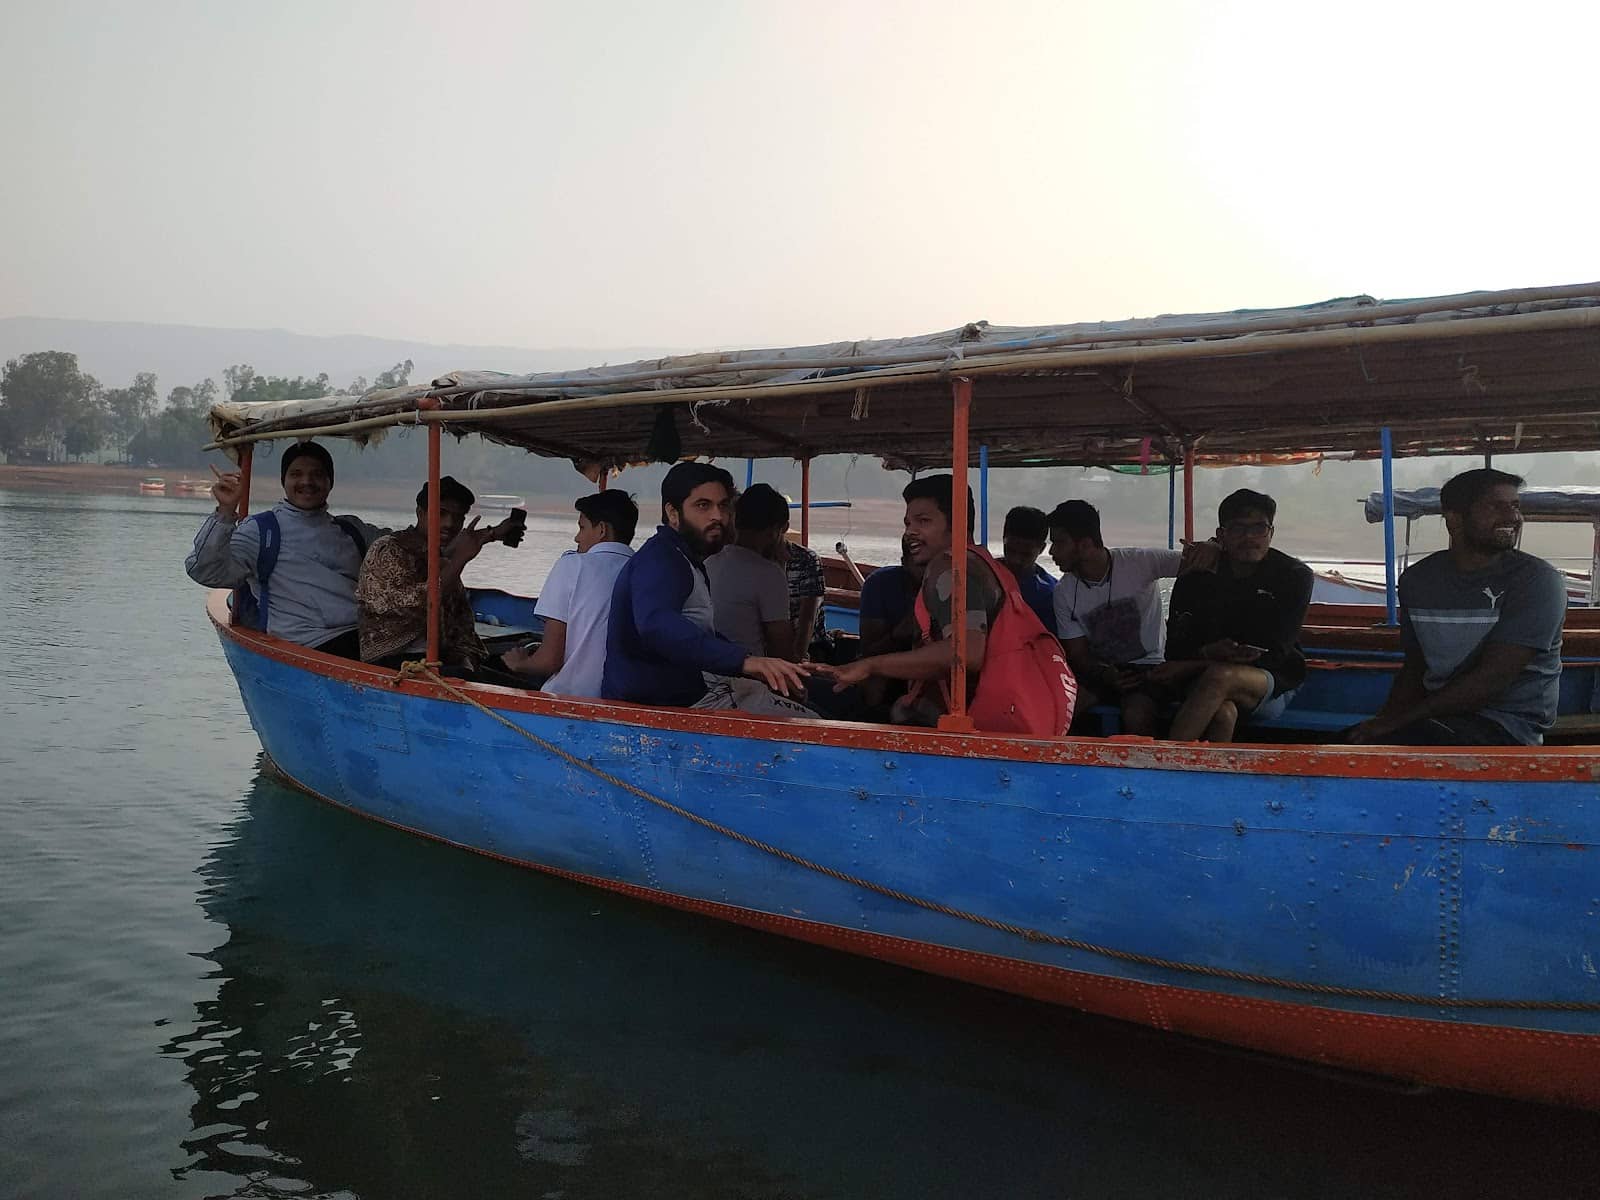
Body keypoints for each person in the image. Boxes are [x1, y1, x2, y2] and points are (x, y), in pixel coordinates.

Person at [819, 475, 1076, 736]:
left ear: (958, 522)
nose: (910, 532)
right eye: (908, 523)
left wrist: (870, 665)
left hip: (969, 725)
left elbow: (967, 651)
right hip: (995, 717)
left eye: (924, 521)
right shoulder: (988, 565)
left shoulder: (949, 566)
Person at [1350, 469, 1565, 746]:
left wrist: (1398, 722)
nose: (1512, 517)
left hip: (1507, 726)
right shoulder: (1418, 581)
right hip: (1435, 718)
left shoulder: (1537, 581)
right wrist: (1381, 722)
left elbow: (1493, 678)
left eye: (1515, 506)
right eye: (1495, 507)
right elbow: (1415, 667)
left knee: (1413, 739)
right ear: (1454, 520)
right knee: (1346, 743)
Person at [602, 462, 812, 714]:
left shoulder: (686, 558)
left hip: (685, 693)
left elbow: (702, 634)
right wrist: (744, 661)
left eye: (723, 506)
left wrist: (757, 665)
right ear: (673, 513)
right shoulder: (662, 560)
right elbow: (657, 624)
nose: (717, 516)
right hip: (658, 705)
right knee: (813, 723)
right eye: (703, 505)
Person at [1138, 489, 1312, 742]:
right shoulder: (1196, 577)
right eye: (1239, 529)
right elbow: (1175, 648)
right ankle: (1205, 780)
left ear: (1271, 533)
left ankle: (1162, 762)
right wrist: (1204, 656)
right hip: (1199, 683)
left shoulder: (1293, 576)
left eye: (1259, 528)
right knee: (1222, 713)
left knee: (1221, 676)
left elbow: (1275, 654)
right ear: (1222, 535)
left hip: (1270, 681)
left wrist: (1204, 660)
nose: (1249, 538)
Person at [186, 440, 387, 658]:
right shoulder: (261, 530)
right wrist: (225, 512)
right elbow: (203, 570)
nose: (307, 481)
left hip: (363, 636)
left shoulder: (352, 529)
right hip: (307, 646)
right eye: (296, 474)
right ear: (284, 481)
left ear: (330, 482)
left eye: (317, 474)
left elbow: (400, 546)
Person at [1047, 499, 1216, 734]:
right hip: (1103, 673)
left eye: (1058, 542)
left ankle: (1147, 767)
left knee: (1137, 712)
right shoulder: (1064, 592)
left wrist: (1211, 546)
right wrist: (1105, 674)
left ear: (1085, 544)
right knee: (1058, 708)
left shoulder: (1140, 562)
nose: (1051, 551)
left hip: (1151, 668)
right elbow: (1078, 654)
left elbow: (1203, 563)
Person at [356, 476, 521, 673]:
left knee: (520, 665)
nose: (449, 524)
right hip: (396, 662)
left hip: (446, 659)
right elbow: (420, 602)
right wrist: (460, 559)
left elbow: (453, 548)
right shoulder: (388, 550)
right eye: (440, 513)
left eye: (458, 517)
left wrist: (493, 534)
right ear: (420, 513)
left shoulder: (437, 553)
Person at [502, 489, 638, 697]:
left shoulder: (573, 565)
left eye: (582, 528)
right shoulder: (644, 570)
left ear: (602, 530)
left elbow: (549, 661)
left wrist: (520, 663)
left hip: (571, 698)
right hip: (626, 699)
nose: (577, 538)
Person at [706, 483, 796, 660]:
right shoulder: (768, 574)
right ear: (776, 530)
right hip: (746, 677)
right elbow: (781, 646)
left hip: (705, 671)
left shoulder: (708, 562)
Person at [1000, 506, 1058, 633]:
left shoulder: (1051, 594)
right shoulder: (983, 574)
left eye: (1025, 554)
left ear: (1042, 548)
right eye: (1011, 550)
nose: (1016, 560)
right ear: (1004, 538)